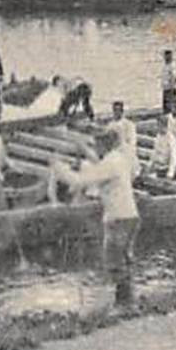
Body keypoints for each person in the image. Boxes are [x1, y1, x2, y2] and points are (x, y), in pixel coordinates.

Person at [55, 127, 140, 306]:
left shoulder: (110, 163)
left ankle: (124, 303)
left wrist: (60, 169)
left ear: (104, 145)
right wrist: (83, 148)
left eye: (96, 145)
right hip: (128, 215)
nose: (95, 149)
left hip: (118, 217)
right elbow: (98, 163)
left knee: (115, 261)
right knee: (123, 259)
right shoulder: (117, 158)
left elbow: (80, 181)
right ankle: (128, 300)